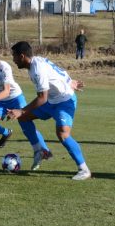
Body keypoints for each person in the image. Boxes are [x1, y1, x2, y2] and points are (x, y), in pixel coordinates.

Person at [6, 41, 91, 181]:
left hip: (64, 101)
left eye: (14, 56)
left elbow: (42, 98)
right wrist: (70, 81)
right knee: (24, 118)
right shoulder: (36, 62)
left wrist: (21, 110)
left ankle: (84, 169)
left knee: (62, 133)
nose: (13, 60)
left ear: (21, 56)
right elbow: (58, 71)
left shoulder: (37, 69)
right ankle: (39, 150)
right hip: (51, 101)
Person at [0, 46, 50, 158]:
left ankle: (45, 150)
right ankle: (6, 133)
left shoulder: (5, 67)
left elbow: (6, 91)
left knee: (27, 124)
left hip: (15, 98)